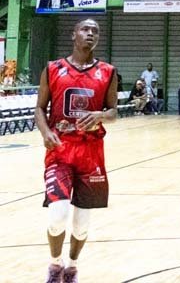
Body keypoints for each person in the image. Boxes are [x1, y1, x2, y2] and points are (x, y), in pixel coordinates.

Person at [34, 18, 118, 283]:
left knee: (82, 224)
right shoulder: (53, 69)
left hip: (91, 153)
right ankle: (55, 264)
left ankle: (72, 267)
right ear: (74, 34)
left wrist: (99, 115)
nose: (90, 34)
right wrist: (46, 132)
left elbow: (114, 112)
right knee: (57, 215)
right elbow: (39, 107)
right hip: (60, 151)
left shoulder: (108, 71)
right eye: (85, 29)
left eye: (95, 31)